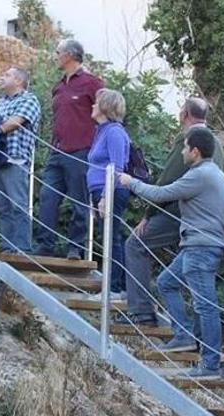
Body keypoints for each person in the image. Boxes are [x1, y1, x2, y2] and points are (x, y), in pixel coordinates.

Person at [118, 128, 224, 379]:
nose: (181, 151)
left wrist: (130, 182)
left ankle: (210, 364)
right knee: (166, 282)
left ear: (195, 151)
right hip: (202, 245)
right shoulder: (219, 176)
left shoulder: (200, 175)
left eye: (184, 147)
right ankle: (183, 335)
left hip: (200, 247)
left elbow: (161, 194)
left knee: (205, 305)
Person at [119, 97, 224, 327]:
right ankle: (194, 336)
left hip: (180, 213)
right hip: (208, 223)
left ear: (184, 114)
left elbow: (167, 181)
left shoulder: (188, 140)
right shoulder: (217, 143)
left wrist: (148, 215)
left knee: (136, 244)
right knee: (193, 285)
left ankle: (141, 311)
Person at [34, 39, 104, 260]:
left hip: (81, 150)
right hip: (57, 151)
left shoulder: (93, 83)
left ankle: (75, 247)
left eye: (58, 52)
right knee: (47, 197)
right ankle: (45, 245)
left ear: (70, 55)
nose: (55, 55)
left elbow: (106, 113)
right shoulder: (58, 86)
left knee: (79, 202)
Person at [87, 88, 130, 295]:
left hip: (111, 191)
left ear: (105, 107)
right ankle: (112, 285)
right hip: (99, 190)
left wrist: (105, 196)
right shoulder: (101, 131)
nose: (93, 105)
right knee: (108, 237)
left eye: (96, 102)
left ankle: (113, 288)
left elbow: (117, 167)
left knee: (111, 238)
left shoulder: (114, 132)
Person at [0, 67, 41, 253]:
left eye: (6, 75)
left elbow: (14, 122)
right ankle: (7, 247)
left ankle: (22, 248)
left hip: (16, 159)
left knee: (17, 204)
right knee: (2, 207)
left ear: (19, 81)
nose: (2, 77)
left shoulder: (29, 100)